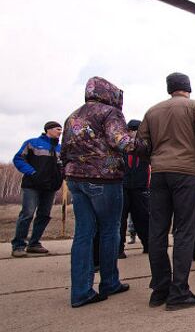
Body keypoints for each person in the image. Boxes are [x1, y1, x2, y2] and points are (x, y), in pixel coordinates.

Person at [138, 72, 195, 311]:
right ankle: (179, 292)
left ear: (169, 88)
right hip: (187, 173)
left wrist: (154, 160)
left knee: (157, 231)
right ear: (188, 88)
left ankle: (160, 289)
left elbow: (140, 143)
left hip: (159, 174)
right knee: (184, 232)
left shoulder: (152, 111)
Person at [61, 77, 136, 307]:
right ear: (109, 93)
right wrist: (142, 144)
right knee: (109, 230)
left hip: (75, 180)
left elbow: (63, 150)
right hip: (104, 179)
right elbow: (122, 142)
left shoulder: (73, 116)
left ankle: (81, 291)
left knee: (83, 233)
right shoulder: (110, 113)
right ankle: (110, 282)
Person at [11, 121, 64, 257]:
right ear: (48, 129)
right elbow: (18, 159)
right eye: (58, 129)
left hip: (50, 186)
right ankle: (18, 245)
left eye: (61, 129)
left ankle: (34, 243)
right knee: (27, 213)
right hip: (32, 185)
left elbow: (63, 166)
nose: (60, 132)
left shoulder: (60, 148)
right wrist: (32, 172)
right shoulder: (32, 143)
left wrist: (61, 177)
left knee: (44, 215)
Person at [119, 119, 150, 258]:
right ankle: (119, 248)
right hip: (123, 186)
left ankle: (148, 245)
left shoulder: (145, 146)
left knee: (142, 218)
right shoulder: (121, 147)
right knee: (120, 219)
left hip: (140, 187)